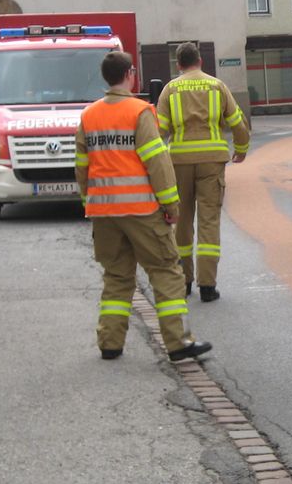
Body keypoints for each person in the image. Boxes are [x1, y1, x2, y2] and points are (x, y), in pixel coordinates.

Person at [75, 51, 211, 363]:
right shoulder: (139, 112)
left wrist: (89, 202)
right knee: (166, 271)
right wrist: (170, 204)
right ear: (130, 74)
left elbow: (81, 167)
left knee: (117, 276)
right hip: (140, 211)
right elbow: (157, 162)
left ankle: (110, 343)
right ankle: (178, 343)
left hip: (104, 214)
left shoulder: (89, 115)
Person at [156, 42, 251, 302]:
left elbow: (159, 132)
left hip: (178, 162)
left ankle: (184, 282)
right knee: (209, 221)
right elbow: (237, 123)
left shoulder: (170, 90)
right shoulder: (216, 86)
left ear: (178, 65)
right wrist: (241, 149)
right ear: (200, 61)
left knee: (182, 221)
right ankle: (207, 286)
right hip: (212, 162)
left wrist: (154, 166)